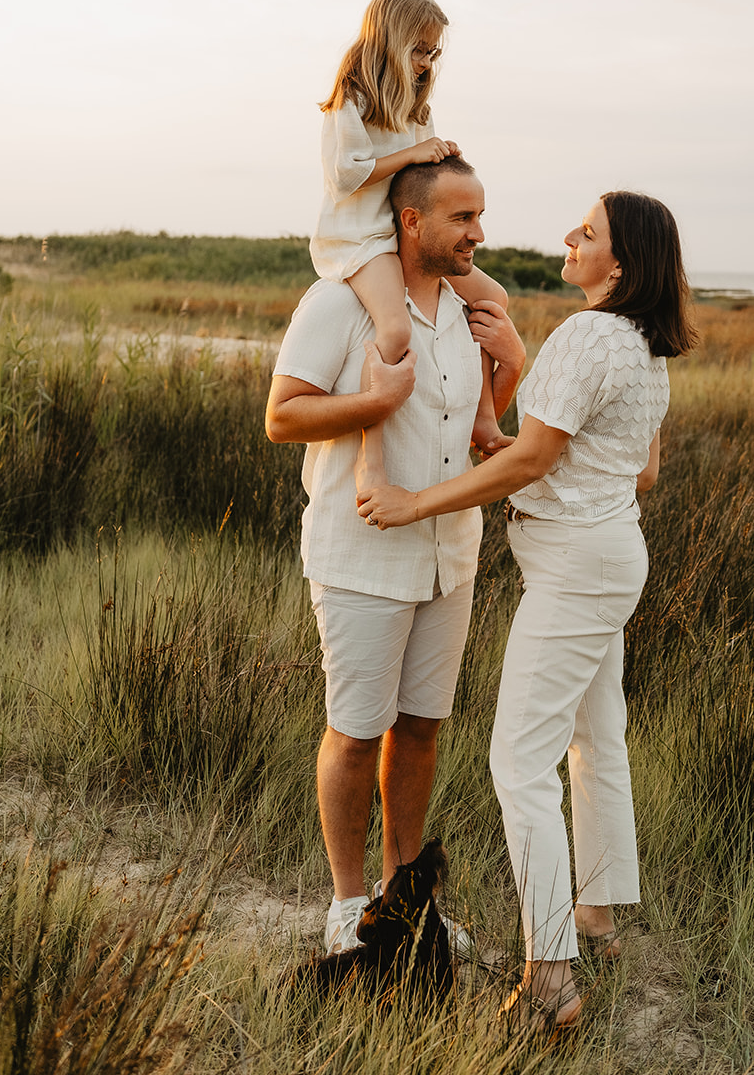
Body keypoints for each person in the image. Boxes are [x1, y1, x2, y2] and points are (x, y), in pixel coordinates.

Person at [358, 191, 698, 1033]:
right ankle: (597, 919)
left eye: (586, 232)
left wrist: (418, 503)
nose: (569, 237)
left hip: (577, 569)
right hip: (612, 553)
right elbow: (632, 471)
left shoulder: (586, 335)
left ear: (618, 263)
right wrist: (514, 447)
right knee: (596, 738)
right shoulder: (643, 347)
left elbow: (541, 458)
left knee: (518, 763)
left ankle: (550, 975)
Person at [266, 154, 525, 956]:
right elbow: (283, 416)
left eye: (480, 216)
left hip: (450, 556)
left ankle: (403, 899)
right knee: (354, 731)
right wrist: (372, 401)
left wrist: (509, 365)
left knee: (419, 730)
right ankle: (348, 908)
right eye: (462, 218)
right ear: (411, 222)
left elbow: (468, 431)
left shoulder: (468, 310)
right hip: (361, 558)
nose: (478, 233)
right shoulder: (339, 304)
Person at [313, 0, 508, 492]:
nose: (425, 63)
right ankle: (370, 459)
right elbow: (345, 175)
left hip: (406, 231)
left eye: (432, 52)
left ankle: (483, 417)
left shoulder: (415, 108)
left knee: (494, 298)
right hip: (363, 236)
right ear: (391, 41)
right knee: (396, 332)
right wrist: (413, 157)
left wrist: (441, 158)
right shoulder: (350, 98)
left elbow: (418, 181)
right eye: (418, 50)